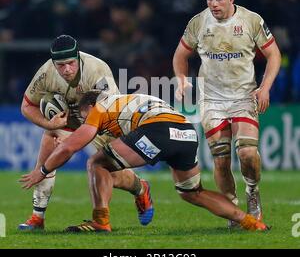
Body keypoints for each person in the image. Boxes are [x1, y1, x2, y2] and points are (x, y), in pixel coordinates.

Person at [20, 91, 269, 232]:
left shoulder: (98, 108)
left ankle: (100, 222)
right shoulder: (125, 102)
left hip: (157, 129)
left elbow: (71, 145)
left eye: (83, 115)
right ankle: (250, 222)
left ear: (91, 105)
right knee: (193, 192)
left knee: (97, 163)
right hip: (185, 131)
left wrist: (42, 170)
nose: (85, 120)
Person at [172, 0, 281, 227]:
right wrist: (181, 79)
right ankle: (232, 209)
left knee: (247, 152)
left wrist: (264, 88)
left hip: (243, 96)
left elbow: (274, 55)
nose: (214, 4)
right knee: (220, 160)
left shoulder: (251, 20)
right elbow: (180, 56)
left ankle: (252, 192)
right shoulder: (198, 23)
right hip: (212, 100)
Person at [18, 35, 154, 230]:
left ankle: (141, 188)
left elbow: (107, 114)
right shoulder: (47, 72)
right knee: (49, 141)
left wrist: (71, 141)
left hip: (103, 121)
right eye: (61, 65)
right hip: (71, 121)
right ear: (54, 63)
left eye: (71, 64)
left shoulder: (97, 70)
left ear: (78, 58)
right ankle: (37, 218)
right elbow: (27, 105)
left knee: (107, 173)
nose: (66, 70)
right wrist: (49, 125)